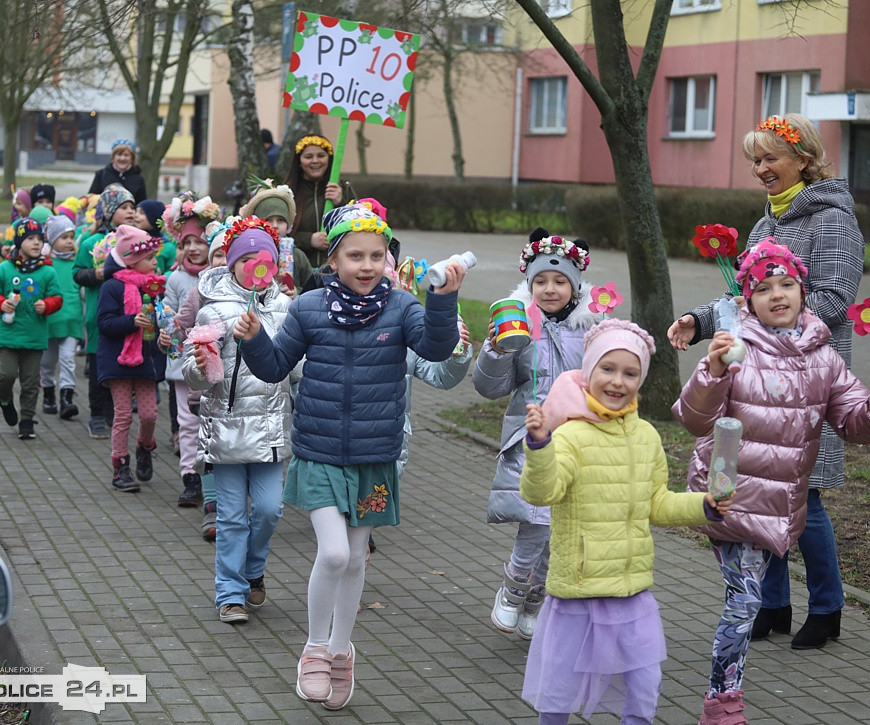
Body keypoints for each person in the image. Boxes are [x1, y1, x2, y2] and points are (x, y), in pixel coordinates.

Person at [235, 203, 464, 711]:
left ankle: (342, 651)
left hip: (375, 458)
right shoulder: (308, 307)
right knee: (335, 553)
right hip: (317, 453)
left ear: (388, 260)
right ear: (333, 258)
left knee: (357, 559)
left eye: (376, 256)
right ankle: (315, 648)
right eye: (355, 255)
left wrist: (443, 300)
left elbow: (436, 348)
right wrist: (253, 341)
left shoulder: (403, 308)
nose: (366, 265)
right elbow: (274, 368)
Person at [673, 239, 870, 723]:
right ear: (747, 300)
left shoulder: (824, 356)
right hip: (728, 497)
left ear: (802, 290)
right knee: (745, 599)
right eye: (764, 288)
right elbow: (692, 419)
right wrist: (711, 370)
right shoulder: (736, 348)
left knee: (746, 600)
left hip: (781, 503)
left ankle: (724, 695)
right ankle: (722, 701)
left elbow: (852, 421)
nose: (778, 295)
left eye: (787, 284)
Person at [667, 113, 866, 650]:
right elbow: (743, 299)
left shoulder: (831, 220)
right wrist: (699, 320)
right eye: (755, 160)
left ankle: (828, 607)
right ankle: (772, 605)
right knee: (757, 494)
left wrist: (775, 335)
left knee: (808, 497)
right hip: (757, 379)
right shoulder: (765, 224)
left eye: (770, 158)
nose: (760, 169)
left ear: (803, 159)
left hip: (806, 375)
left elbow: (833, 298)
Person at [520, 319, 733, 725]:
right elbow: (541, 493)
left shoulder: (646, 437)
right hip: (578, 591)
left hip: (631, 591)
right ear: (589, 371)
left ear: (642, 379)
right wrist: (540, 446)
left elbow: (657, 503)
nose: (618, 381)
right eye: (608, 369)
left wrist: (703, 505)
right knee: (559, 690)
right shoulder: (567, 435)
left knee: (644, 683)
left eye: (630, 373)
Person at [472, 228, 602, 641]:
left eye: (560, 281)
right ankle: (513, 588)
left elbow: (609, 379)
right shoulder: (518, 325)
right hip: (531, 438)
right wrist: (495, 351)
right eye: (540, 281)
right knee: (537, 521)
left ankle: (537, 596)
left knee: (560, 527)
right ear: (528, 284)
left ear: (575, 285)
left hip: (578, 442)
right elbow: (490, 387)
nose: (549, 289)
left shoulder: (593, 328)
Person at [181, 217, 293, 624]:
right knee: (230, 516)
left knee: (268, 509)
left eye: (261, 257)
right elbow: (198, 376)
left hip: (269, 430)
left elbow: (295, 368)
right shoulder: (213, 309)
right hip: (226, 431)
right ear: (231, 263)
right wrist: (198, 363)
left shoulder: (285, 307)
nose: (254, 265)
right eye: (245, 257)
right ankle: (230, 592)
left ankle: (252, 571)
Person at [95, 225, 167, 492]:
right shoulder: (112, 287)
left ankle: (145, 446)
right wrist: (129, 321)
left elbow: (162, 319)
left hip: (146, 358)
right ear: (133, 261)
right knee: (123, 415)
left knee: (149, 415)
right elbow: (103, 323)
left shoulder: (154, 287)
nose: (155, 262)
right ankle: (120, 466)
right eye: (149, 258)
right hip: (119, 361)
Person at [162, 191, 222, 507]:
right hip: (182, 361)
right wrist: (164, 328)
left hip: (215, 364)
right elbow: (168, 314)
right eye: (187, 243)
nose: (194, 248)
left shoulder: (223, 279)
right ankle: (190, 477)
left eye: (200, 242)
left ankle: (214, 474)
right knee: (187, 422)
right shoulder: (175, 278)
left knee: (210, 420)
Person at [0, 218, 63, 439]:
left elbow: (57, 297)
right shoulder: (5, 268)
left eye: (39, 239)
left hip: (34, 336)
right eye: (30, 239)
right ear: (19, 242)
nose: (36, 243)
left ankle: (27, 420)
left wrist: (47, 305)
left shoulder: (47, 272)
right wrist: (1, 303)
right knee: (6, 376)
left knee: (30, 382)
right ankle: (5, 400)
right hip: (8, 335)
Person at [74, 184, 136, 439]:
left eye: (133, 207)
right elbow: (77, 273)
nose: (131, 212)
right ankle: (97, 414)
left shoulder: (136, 239)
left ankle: (115, 412)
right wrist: (97, 273)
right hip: (99, 314)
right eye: (124, 207)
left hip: (127, 313)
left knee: (120, 366)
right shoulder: (92, 242)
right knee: (99, 367)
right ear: (108, 212)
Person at [284, 134, 347, 289]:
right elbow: (276, 233)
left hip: (337, 271)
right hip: (299, 273)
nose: (315, 161)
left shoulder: (343, 189)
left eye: (321, 155)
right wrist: (309, 240)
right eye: (308, 156)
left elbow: (358, 228)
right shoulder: (286, 193)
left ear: (329, 159)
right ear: (299, 161)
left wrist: (342, 203)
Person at [40, 215, 82, 420]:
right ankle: (48, 392)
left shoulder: (77, 263)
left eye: (71, 237)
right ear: (52, 239)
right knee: (47, 362)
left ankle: (67, 398)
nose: (69, 241)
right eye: (64, 237)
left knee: (67, 360)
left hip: (71, 319)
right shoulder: (46, 264)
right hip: (49, 320)